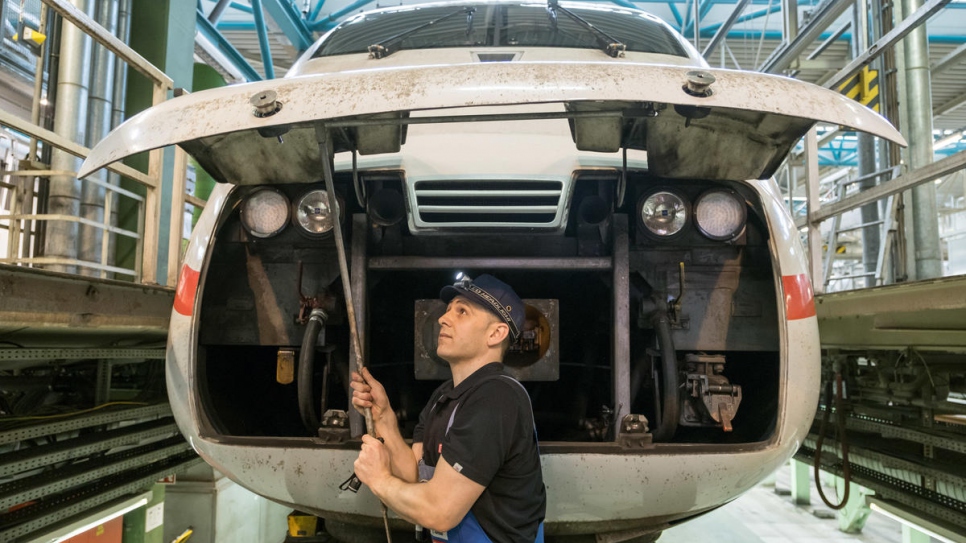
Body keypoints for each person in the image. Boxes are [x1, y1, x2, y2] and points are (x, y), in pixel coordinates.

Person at [351, 274, 546, 543]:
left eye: (462, 311)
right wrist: (383, 417)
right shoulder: (444, 396)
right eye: (448, 310)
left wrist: (379, 480)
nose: (443, 318)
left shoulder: (497, 398)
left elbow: (440, 512)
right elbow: (418, 475)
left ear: (496, 333)